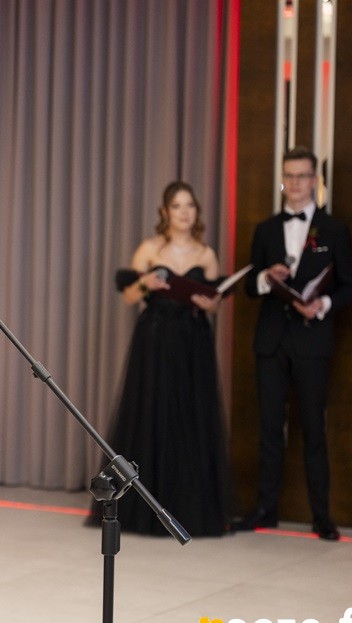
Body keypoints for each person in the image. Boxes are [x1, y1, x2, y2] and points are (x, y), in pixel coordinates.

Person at [90, 181, 230, 537]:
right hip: (155, 340)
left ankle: (189, 508)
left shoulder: (206, 254)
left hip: (193, 342)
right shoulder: (150, 249)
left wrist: (210, 303)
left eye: (190, 206)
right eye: (177, 206)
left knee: (190, 418)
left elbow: (214, 302)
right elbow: (129, 296)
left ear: (197, 212)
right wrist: (145, 285)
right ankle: (143, 508)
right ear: (165, 211)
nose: (184, 212)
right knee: (152, 413)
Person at [234, 146, 352, 541]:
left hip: (312, 342)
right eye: (289, 175)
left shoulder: (334, 230)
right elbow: (249, 286)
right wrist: (265, 278)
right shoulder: (266, 229)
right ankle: (265, 510)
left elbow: (350, 286)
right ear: (282, 179)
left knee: (314, 429)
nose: (296, 182)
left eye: (303, 175)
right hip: (271, 342)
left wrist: (322, 305)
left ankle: (321, 516)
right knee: (269, 427)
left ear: (315, 180)